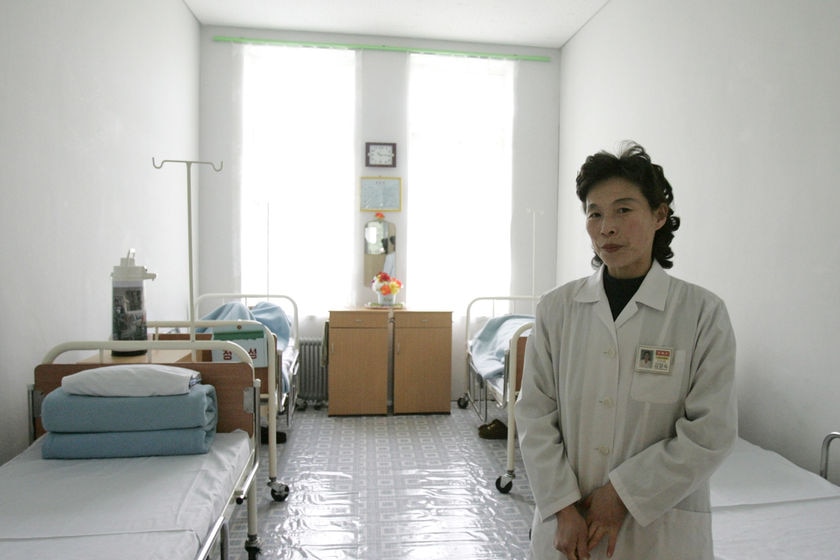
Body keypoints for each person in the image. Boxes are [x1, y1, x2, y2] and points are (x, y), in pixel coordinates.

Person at [515, 142, 737, 559]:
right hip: (569, 524)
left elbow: (712, 432)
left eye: (623, 210)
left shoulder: (701, 313)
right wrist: (562, 507)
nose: (606, 227)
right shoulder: (557, 308)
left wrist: (621, 495)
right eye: (594, 213)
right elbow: (534, 414)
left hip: (659, 530)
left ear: (658, 215)